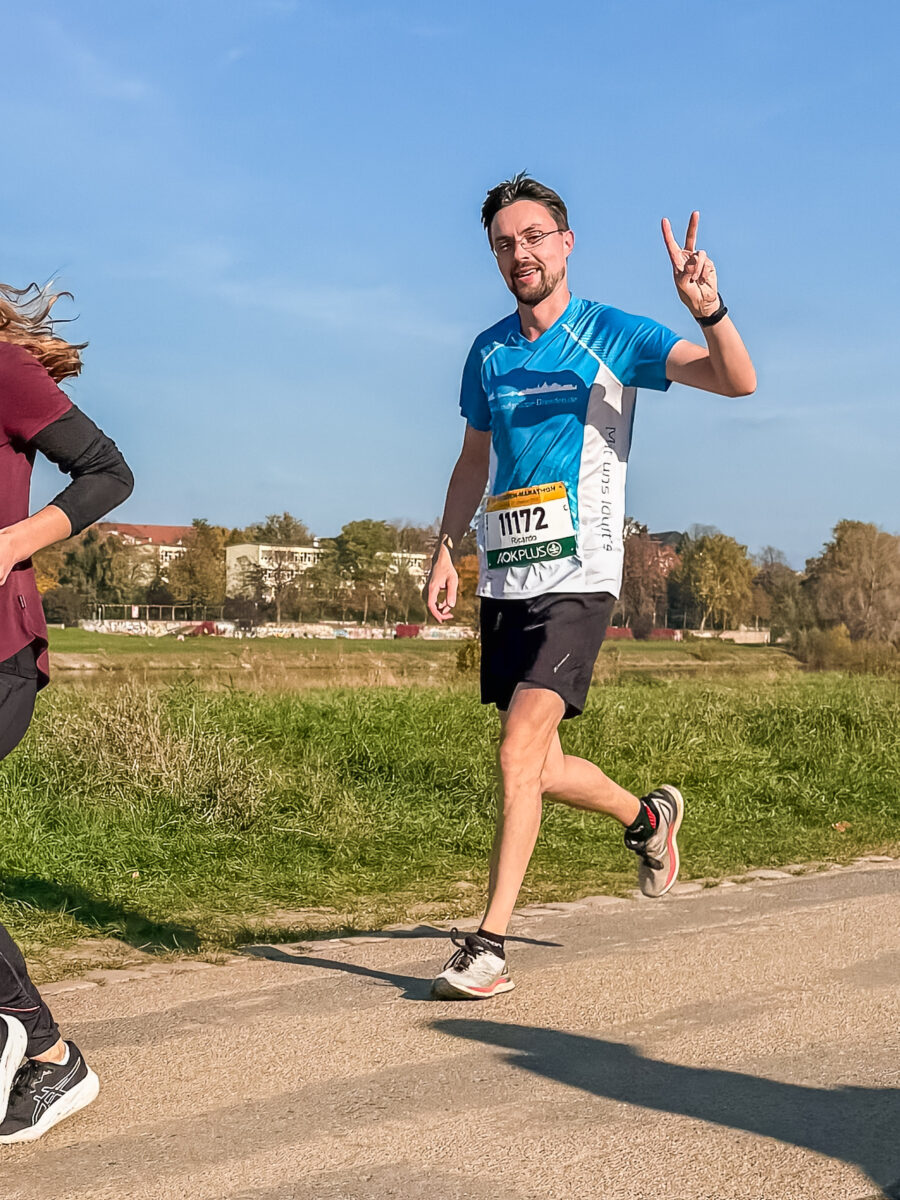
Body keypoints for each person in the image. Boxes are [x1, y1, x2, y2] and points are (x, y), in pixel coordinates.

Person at [425, 174, 756, 1000]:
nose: (520, 253)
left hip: (581, 578)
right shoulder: (490, 350)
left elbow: (736, 381)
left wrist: (707, 309)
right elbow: (474, 459)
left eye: (534, 237)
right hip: (508, 575)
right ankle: (649, 820)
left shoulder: (612, 332)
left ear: (566, 245)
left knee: (514, 754)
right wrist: (443, 550)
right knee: (542, 763)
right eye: (505, 243)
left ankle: (491, 943)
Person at [0, 282, 133, 1139]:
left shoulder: (3, 371)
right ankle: (44, 1054)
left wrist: (12, 542)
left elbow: (109, 470)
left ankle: (34, 1043)